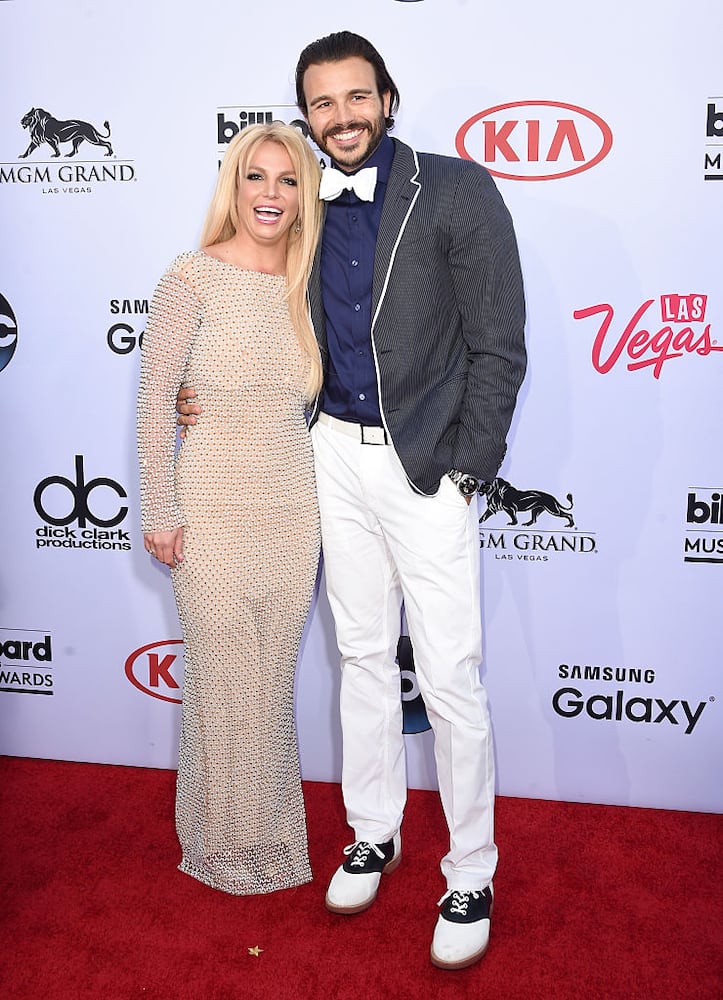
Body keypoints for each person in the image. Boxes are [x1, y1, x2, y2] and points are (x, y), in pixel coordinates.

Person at [179, 30, 526, 967]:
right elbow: (244, 310)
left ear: (387, 97)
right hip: (327, 455)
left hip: (424, 467)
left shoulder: (454, 190)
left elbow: (499, 345)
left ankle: (470, 870)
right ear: (306, 115)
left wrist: (464, 470)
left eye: (356, 96)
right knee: (362, 655)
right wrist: (196, 390)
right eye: (322, 103)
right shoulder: (298, 203)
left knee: (448, 676)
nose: (342, 117)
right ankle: (373, 830)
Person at [137, 123, 323, 895]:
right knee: (222, 680)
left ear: (303, 194)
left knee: (270, 684)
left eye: (287, 180)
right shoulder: (192, 277)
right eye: (256, 177)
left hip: (292, 509)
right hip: (209, 505)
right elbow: (156, 400)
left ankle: (270, 837)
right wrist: (159, 508)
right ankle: (219, 842)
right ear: (233, 187)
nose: (270, 194)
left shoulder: (311, 283)